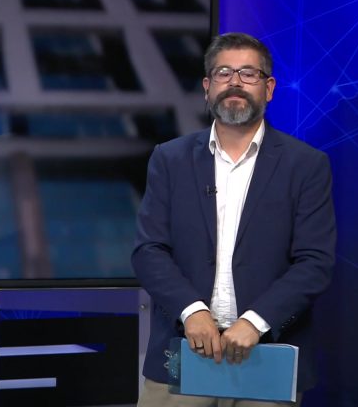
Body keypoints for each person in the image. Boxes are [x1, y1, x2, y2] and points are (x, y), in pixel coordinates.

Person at [132, 32, 336, 406]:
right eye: (224, 73)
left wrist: (255, 321)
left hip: (266, 356)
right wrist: (192, 312)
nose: (235, 82)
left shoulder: (306, 165)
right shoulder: (170, 159)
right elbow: (149, 250)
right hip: (184, 351)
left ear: (269, 88)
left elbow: (315, 262)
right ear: (207, 87)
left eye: (248, 73)